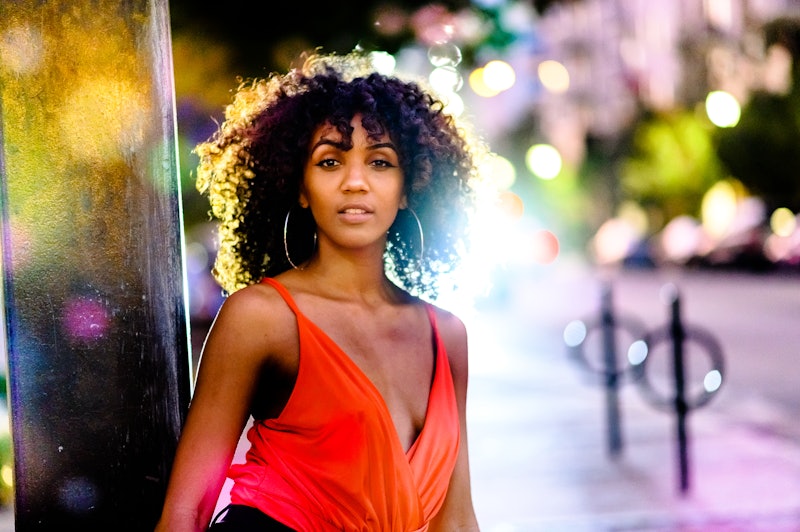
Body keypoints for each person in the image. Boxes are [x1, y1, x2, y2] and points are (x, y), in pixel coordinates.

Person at [156, 49, 487, 531]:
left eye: (380, 162)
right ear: (301, 187)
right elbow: (186, 514)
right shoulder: (261, 318)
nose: (355, 182)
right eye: (330, 162)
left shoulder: (447, 336)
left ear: (409, 187)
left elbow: (456, 521)